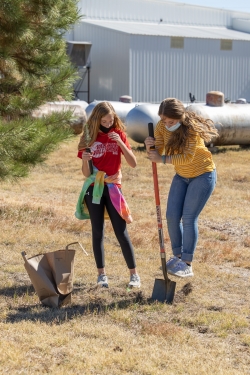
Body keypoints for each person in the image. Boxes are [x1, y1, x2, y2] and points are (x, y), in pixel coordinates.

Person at [145, 98, 219, 278]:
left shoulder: (191, 130)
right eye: (164, 120)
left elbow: (186, 157)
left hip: (202, 175)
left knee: (188, 218)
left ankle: (186, 263)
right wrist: (151, 147)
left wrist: (161, 159)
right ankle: (177, 257)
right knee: (171, 216)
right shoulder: (162, 127)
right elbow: (159, 150)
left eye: (171, 121)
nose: (167, 124)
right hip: (181, 176)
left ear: (181, 116)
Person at [75, 101, 140, 288]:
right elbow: (86, 174)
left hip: (113, 189)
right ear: (97, 119)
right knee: (98, 231)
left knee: (121, 231)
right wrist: (86, 160)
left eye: (110, 119)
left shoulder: (118, 134)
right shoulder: (89, 137)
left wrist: (119, 142)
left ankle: (134, 275)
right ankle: (101, 275)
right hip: (94, 188)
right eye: (104, 120)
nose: (108, 123)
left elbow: (133, 163)